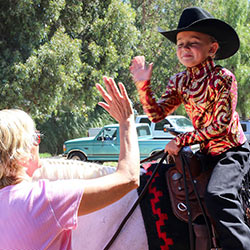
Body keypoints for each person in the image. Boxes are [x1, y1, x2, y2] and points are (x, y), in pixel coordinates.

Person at [130, 6, 250, 250]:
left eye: (193, 42)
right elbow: (156, 114)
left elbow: (220, 126)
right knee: (160, 181)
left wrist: (182, 140)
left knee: (218, 196)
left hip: (231, 152)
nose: (184, 48)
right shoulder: (180, 81)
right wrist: (143, 86)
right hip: (205, 153)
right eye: (180, 43)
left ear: (212, 49)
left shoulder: (224, 78)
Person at [0, 77, 140, 249]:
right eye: (36, 138)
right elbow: (129, 178)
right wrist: (126, 121)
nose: (38, 143)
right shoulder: (43, 199)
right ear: (21, 154)